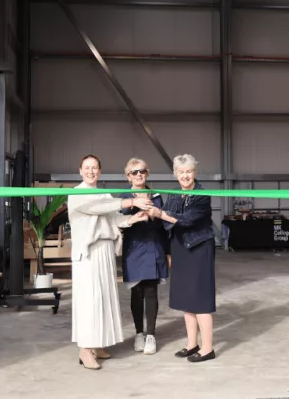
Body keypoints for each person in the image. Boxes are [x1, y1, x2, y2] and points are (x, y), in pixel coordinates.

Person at [67, 154, 151, 370]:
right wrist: (132, 201)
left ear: (100, 171)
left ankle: (97, 344)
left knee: (103, 299)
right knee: (89, 301)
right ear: (80, 170)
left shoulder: (103, 193)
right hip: (88, 254)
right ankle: (85, 350)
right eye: (87, 167)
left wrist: (132, 218)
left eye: (95, 168)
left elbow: (112, 218)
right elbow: (97, 208)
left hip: (104, 251)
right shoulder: (76, 194)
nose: (91, 171)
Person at [147, 154, 217, 363]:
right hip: (180, 249)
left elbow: (186, 220)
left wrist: (160, 214)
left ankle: (207, 348)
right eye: (181, 172)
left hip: (199, 248)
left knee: (201, 300)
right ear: (175, 174)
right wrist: (155, 214)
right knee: (187, 300)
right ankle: (191, 344)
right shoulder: (175, 193)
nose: (185, 176)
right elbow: (170, 223)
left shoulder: (202, 195)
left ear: (195, 172)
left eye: (189, 171)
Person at [119, 158, 170, 355]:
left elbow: (164, 226)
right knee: (136, 292)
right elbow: (121, 218)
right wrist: (134, 207)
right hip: (134, 250)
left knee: (151, 291)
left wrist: (167, 251)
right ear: (128, 176)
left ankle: (151, 335)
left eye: (142, 171)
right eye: (134, 172)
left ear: (147, 173)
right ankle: (139, 333)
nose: (139, 174)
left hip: (153, 248)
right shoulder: (125, 197)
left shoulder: (156, 196)